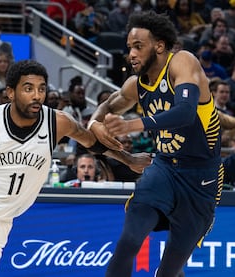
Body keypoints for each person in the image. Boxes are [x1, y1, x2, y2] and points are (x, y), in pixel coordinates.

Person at [0, 60, 150, 277]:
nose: (37, 95)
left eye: (42, 88)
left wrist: (128, 159)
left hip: (4, 216)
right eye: (28, 88)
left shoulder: (58, 122)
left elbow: (93, 142)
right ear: (10, 93)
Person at [88, 11, 222, 276]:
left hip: (201, 178)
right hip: (163, 169)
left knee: (169, 271)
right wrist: (94, 124)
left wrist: (130, 125)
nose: (131, 54)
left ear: (159, 45)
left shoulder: (182, 62)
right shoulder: (135, 85)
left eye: (138, 46)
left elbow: (185, 113)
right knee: (129, 241)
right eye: (129, 48)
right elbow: (106, 105)